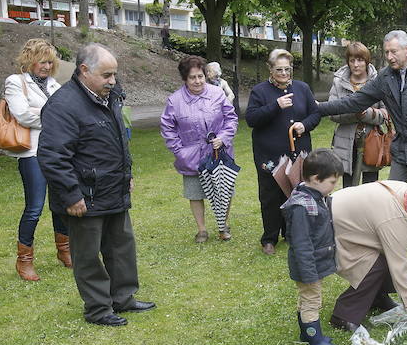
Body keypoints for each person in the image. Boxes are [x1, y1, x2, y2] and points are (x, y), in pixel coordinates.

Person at [317, 30, 407, 251]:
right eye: (386, 52)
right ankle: (392, 233)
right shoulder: (385, 78)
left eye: (393, 51)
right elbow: (355, 102)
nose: (389, 56)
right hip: (404, 145)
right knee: (392, 193)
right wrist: (318, 108)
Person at [38, 43, 155, 327]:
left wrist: (126, 176)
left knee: (121, 247)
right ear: (84, 71)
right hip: (84, 196)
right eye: (106, 75)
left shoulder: (110, 96)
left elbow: (117, 141)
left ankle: (123, 298)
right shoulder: (63, 105)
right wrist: (71, 195)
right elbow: (52, 156)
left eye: (114, 74)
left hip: (113, 188)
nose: (112, 81)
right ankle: (98, 309)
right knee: (88, 255)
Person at [328, 175, 407, 331]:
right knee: (375, 265)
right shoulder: (395, 218)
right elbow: (399, 267)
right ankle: (344, 315)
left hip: (352, 224)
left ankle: (377, 297)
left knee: (387, 257)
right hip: (332, 233)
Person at [4, 38, 70, 281]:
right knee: (34, 208)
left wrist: (44, 115)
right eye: (42, 61)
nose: (46, 66)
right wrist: (53, 118)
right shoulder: (15, 82)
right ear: (30, 61)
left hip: (57, 152)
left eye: (50, 62)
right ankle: (24, 260)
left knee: (61, 202)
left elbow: (65, 113)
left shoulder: (54, 85)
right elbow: (22, 115)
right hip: (31, 153)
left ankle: (64, 250)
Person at [245, 48, 321, 255]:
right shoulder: (260, 92)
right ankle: (269, 238)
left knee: (296, 194)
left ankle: (292, 233)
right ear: (270, 69)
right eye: (279, 70)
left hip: (298, 155)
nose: (284, 74)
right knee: (270, 196)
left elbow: (315, 114)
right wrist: (275, 106)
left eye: (288, 69)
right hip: (269, 155)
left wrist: (304, 125)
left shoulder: (302, 88)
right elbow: (251, 119)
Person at [160, 55, 238, 242]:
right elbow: (168, 129)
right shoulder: (174, 101)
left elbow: (231, 118)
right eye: (192, 77)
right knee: (195, 192)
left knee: (224, 189)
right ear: (185, 79)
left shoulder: (217, 93)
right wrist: (180, 152)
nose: (197, 81)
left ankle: (223, 225)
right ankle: (201, 229)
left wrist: (224, 137)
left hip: (219, 152)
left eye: (200, 76)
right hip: (191, 155)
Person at [281, 148, 343, 345]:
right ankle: (316, 342)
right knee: (311, 301)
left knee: (306, 298)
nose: (335, 186)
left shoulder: (315, 197)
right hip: (308, 267)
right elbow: (301, 244)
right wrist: (309, 273)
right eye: (332, 182)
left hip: (313, 264)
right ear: (316, 179)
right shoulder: (302, 206)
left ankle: (307, 334)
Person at [328, 42, 386, 187]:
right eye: (352, 60)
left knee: (370, 187)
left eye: (360, 60)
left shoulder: (379, 82)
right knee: (348, 187)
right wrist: (354, 113)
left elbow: (385, 115)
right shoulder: (338, 82)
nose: (356, 64)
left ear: (367, 61)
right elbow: (332, 112)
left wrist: (367, 114)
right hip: (345, 141)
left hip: (371, 140)